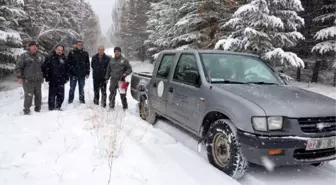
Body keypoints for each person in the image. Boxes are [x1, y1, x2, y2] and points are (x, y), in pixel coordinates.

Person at [15, 41, 45, 115]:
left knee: (38, 95)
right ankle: (27, 110)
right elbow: (18, 67)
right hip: (28, 80)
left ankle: (38, 108)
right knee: (28, 96)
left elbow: (44, 68)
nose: (34, 47)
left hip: (38, 80)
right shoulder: (24, 56)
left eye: (35, 46)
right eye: (32, 46)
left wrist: (43, 76)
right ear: (29, 47)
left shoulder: (40, 57)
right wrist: (19, 77)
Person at [42, 45, 69, 111]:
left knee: (61, 95)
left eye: (61, 50)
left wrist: (66, 77)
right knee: (52, 95)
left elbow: (67, 69)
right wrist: (47, 77)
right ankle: (51, 107)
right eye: (58, 50)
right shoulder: (50, 58)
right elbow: (44, 68)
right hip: (52, 79)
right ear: (55, 50)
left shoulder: (64, 58)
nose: (60, 51)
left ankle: (58, 107)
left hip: (61, 80)